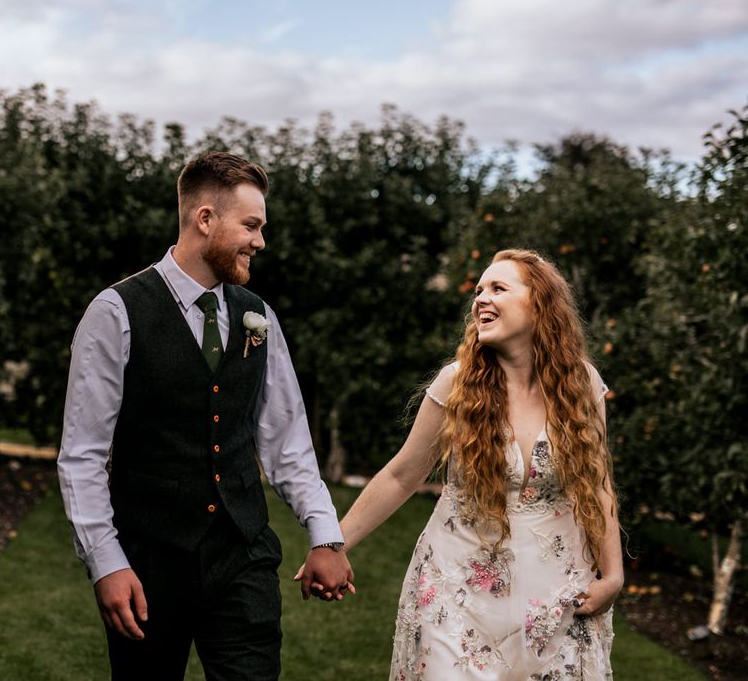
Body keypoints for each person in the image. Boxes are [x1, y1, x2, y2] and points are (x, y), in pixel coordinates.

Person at [57, 151, 353, 681]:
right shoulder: (115, 312)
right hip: (147, 565)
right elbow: (83, 456)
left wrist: (325, 537)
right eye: (251, 225)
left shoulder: (258, 317)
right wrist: (106, 563)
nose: (260, 241)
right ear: (206, 219)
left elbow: (287, 444)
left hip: (242, 557)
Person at [313, 249, 622, 679]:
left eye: (498, 288)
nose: (481, 299)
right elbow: (402, 476)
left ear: (539, 304)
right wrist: (331, 545)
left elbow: (598, 481)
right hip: (458, 593)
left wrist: (613, 575)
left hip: (557, 593)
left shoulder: (581, 385)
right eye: (478, 290)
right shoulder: (458, 384)